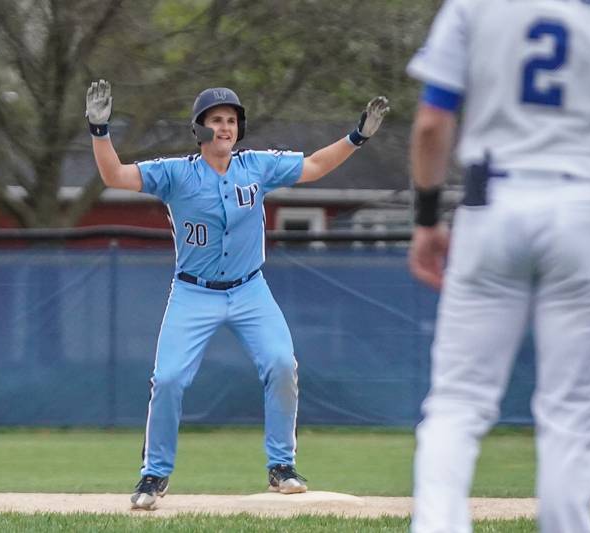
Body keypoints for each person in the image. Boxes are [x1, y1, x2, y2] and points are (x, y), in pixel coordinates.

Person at [406, 1, 590, 532]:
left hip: (491, 203)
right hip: (588, 209)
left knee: (457, 404)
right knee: (569, 417)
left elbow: (430, 122)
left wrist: (426, 220)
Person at [85, 80, 389, 509]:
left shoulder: (256, 167)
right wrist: (100, 130)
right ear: (200, 129)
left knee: (282, 363)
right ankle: (154, 475)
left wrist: (358, 137)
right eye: (215, 120)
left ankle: (281, 467)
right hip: (193, 292)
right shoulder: (176, 174)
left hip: (250, 289)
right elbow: (114, 175)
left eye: (231, 120)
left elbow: (316, 166)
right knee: (169, 379)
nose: (224, 127)